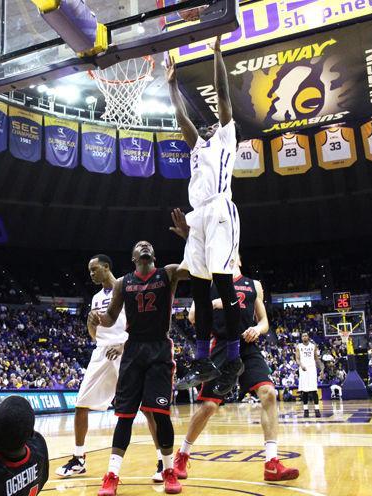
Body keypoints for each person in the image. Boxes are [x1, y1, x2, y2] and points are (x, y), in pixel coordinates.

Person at [169, 211, 298, 481]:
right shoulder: (214, 284)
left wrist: (257, 329)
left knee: (269, 395)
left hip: (247, 347)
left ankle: (272, 462)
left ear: (237, 257)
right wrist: (214, 304)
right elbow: (193, 316)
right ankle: (182, 455)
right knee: (208, 407)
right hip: (220, 347)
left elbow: (264, 322)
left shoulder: (254, 286)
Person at [167, 37, 244, 396]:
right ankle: (202, 359)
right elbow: (182, 118)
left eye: (214, 124)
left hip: (220, 209)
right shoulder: (198, 146)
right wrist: (171, 86)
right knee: (197, 286)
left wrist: (217, 54)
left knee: (222, 281)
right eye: (209, 125)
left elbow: (223, 97)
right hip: (198, 216)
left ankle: (233, 358)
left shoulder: (227, 138)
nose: (210, 125)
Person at [91, 241, 188, 495]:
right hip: (133, 350)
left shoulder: (168, 273)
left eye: (148, 245)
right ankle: (111, 475)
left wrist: (189, 237)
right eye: (139, 245)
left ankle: (168, 470)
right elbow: (111, 317)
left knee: (161, 413)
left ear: (153, 255)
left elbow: (194, 266)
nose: (144, 245)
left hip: (159, 348)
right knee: (125, 416)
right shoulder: (123, 283)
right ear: (133, 257)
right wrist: (98, 319)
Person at [57, 255, 165, 481]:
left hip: (128, 351)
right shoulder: (96, 297)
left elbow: (140, 324)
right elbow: (96, 335)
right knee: (81, 404)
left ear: (106, 267)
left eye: (94, 269)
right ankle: (78, 459)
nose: (91, 274)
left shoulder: (127, 288)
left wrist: (123, 345)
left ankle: (162, 462)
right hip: (102, 352)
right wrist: (90, 326)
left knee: (148, 409)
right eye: (89, 271)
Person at [295, 332, 321, 418]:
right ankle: (306, 410)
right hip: (303, 369)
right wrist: (301, 365)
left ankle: (317, 409)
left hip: (312, 369)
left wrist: (321, 369)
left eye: (306, 335)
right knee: (304, 391)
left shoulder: (313, 346)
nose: (304, 337)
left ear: (308, 337)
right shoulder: (298, 346)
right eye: (303, 336)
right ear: (301, 338)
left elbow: (316, 358)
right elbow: (297, 359)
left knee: (314, 390)